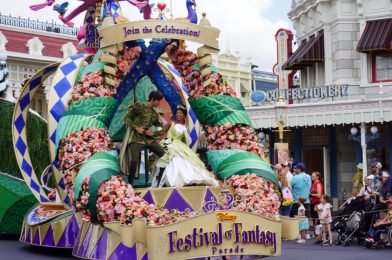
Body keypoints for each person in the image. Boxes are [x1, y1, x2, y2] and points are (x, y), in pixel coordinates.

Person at [152, 105, 219, 187]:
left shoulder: (185, 127)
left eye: (180, 113)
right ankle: (163, 180)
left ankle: (187, 177)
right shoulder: (171, 123)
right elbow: (162, 133)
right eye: (177, 113)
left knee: (184, 160)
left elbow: (188, 141)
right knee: (166, 160)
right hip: (169, 144)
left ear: (184, 115)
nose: (178, 114)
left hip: (180, 146)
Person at [119, 91, 166, 185]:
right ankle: (130, 183)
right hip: (135, 138)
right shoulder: (139, 106)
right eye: (158, 101)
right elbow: (127, 118)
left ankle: (159, 179)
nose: (159, 103)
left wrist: (153, 132)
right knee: (134, 160)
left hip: (148, 139)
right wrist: (137, 128)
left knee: (164, 155)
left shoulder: (155, 113)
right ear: (152, 99)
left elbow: (161, 128)